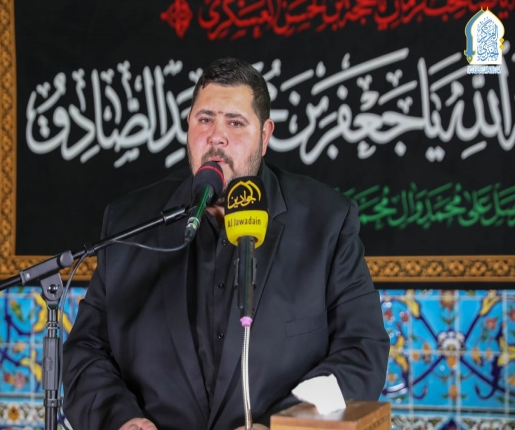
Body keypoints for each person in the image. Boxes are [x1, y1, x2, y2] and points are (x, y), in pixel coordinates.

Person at [62, 58, 390, 430]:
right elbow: (86, 351)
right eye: (205, 120)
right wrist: (122, 420)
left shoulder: (326, 222)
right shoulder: (130, 224)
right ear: (188, 126)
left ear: (264, 136)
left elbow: (362, 350)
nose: (216, 136)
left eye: (235, 123)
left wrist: (279, 427)